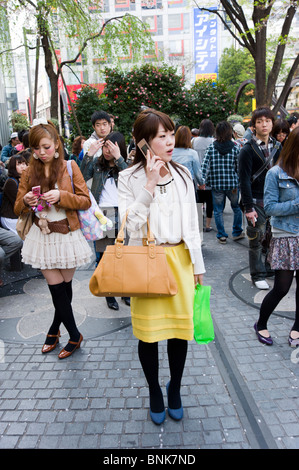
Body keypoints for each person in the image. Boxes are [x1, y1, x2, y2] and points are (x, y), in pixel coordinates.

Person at [118, 109, 205, 425]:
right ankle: (155, 389)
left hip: (180, 260)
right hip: (146, 261)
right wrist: (150, 184)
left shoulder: (183, 173)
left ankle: (176, 388)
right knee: (149, 335)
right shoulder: (128, 178)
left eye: (171, 134)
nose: (170, 142)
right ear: (144, 144)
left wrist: (198, 265)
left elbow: (192, 224)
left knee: (180, 333)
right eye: (161, 137)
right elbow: (129, 226)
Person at [14, 120, 92, 359]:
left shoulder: (69, 166)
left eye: (46, 147)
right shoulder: (29, 172)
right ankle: (75, 335)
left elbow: (85, 200)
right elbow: (17, 207)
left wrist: (61, 196)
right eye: (36, 148)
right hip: (43, 235)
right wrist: (27, 202)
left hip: (67, 234)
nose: (41, 153)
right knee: (57, 290)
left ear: (57, 144)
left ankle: (53, 330)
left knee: (63, 291)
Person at [254, 127, 299, 347]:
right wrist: (297, 204)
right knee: (282, 288)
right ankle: (261, 323)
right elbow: (270, 207)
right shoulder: (275, 173)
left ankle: (296, 328)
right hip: (286, 236)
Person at [81, 130, 128, 310]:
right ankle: (109, 294)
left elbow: (131, 180)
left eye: (111, 147)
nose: (107, 151)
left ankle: (125, 291)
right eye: (105, 146)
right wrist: (89, 154)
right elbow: (81, 177)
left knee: (123, 256)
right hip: (103, 214)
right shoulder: (96, 164)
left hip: (123, 214)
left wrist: (119, 159)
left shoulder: (126, 165)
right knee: (104, 258)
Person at [238, 106, 282, 290]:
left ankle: (270, 267)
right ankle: (257, 274)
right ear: (253, 126)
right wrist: (248, 208)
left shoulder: (279, 146)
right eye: (259, 121)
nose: (264, 124)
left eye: (267, 121)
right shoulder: (247, 149)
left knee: (272, 237)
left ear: (272, 124)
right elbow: (244, 181)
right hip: (256, 201)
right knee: (256, 238)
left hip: (274, 201)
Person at [202, 121, 244, 244]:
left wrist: (202, 181)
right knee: (236, 208)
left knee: (218, 210)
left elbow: (204, 166)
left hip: (216, 185)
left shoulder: (211, 147)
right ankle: (236, 232)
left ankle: (222, 235)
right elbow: (239, 168)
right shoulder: (235, 147)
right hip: (232, 185)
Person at [192, 119, 215, 231]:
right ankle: (208, 225)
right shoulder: (213, 141)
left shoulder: (194, 141)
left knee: (199, 200)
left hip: (197, 175)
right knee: (210, 200)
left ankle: (199, 224)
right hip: (210, 175)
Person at [0, 154, 28, 234]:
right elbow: (17, 203)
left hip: (18, 215)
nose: (22, 166)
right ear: (12, 167)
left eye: (24, 164)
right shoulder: (11, 182)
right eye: (19, 164)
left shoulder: (23, 179)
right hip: (11, 217)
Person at [172, 125, 204, 192]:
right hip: (188, 183)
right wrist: (201, 183)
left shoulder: (170, 152)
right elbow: (197, 172)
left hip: (173, 183)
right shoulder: (192, 153)